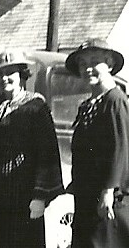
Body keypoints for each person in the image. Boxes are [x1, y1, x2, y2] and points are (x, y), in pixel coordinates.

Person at [0, 50, 64, 247]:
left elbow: (47, 153)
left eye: (9, 73)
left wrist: (40, 196)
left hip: (23, 196)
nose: (4, 78)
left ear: (22, 75)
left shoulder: (36, 107)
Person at [66, 38, 129, 248]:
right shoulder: (87, 105)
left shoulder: (115, 100)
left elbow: (120, 147)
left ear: (109, 64)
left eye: (94, 62)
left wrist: (109, 191)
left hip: (107, 198)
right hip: (86, 196)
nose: (88, 68)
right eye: (82, 64)